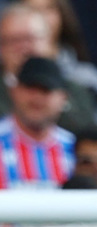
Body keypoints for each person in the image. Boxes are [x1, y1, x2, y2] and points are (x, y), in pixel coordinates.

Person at [0, 56, 73, 188]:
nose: (37, 98)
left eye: (46, 90)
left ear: (63, 98)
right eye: (30, 88)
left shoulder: (75, 149)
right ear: (13, 91)